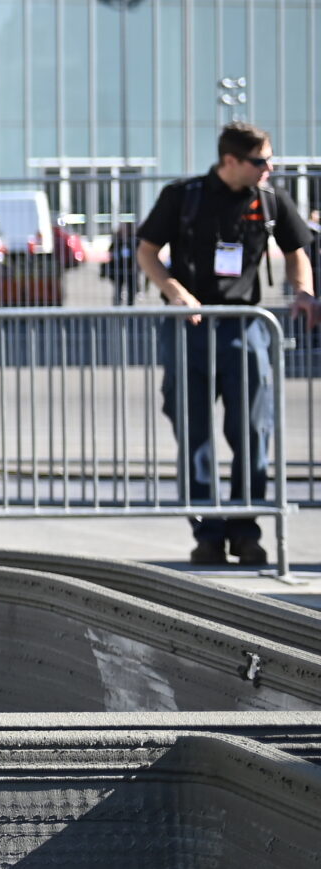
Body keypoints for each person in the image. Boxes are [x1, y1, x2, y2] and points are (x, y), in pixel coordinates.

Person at [136, 123, 321, 567]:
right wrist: (174, 290)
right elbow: (147, 249)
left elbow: (297, 248)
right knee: (194, 432)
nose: (269, 168)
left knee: (252, 432)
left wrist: (303, 291)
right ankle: (207, 533)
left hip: (245, 327)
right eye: (260, 161)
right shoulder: (183, 195)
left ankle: (245, 531)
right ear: (230, 161)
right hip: (191, 328)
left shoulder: (269, 199)